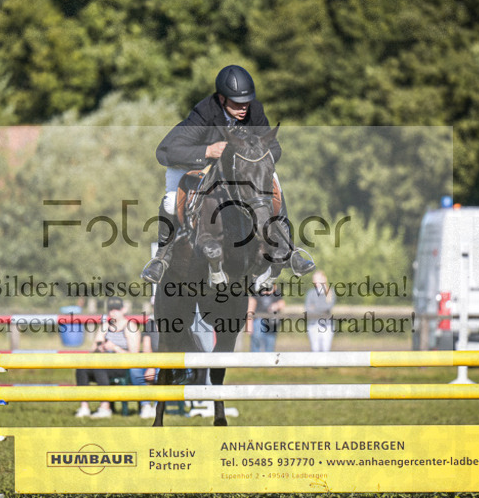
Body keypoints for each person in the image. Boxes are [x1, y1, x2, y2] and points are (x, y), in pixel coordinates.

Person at [140, 64, 314, 284]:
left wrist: (256, 154)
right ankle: (161, 259)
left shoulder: (255, 110)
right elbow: (166, 151)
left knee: (274, 185)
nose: (244, 108)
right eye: (237, 103)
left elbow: (275, 148)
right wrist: (207, 150)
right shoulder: (204, 112)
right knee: (171, 202)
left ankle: (290, 250)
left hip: (236, 167)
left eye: (247, 102)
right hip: (190, 163)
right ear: (222, 99)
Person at [75, 297, 140, 418]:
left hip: (123, 367)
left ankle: (105, 408)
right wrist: (101, 347)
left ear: (123, 310)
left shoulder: (130, 327)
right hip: (104, 363)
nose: (113, 312)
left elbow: (134, 356)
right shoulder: (105, 326)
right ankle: (84, 407)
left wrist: (115, 348)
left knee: (100, 367)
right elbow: (92, 350)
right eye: (110, 309)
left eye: (116, 309)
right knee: (81, 368)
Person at [248, 284, 285, 353]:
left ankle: (269, 362)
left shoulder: (276, 291)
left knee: (270, 344)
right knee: (257, 340)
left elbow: (282, 304)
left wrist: (276, 306)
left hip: (271, 322)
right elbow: (251, 307)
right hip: (258, 320)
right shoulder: (257, 291)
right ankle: (255, 361)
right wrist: (249, 324)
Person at [305, 270, 335, 352]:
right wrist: (319, 309)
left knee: (326, 349)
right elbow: (308, 309)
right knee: (315, 349)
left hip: (327, 325)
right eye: (314, 279)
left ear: (324, 279)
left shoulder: (330, 292)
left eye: (318, 279)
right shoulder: (310, 293)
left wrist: (314, 307)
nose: (316, 281)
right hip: (313, 324)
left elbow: (327, 307)